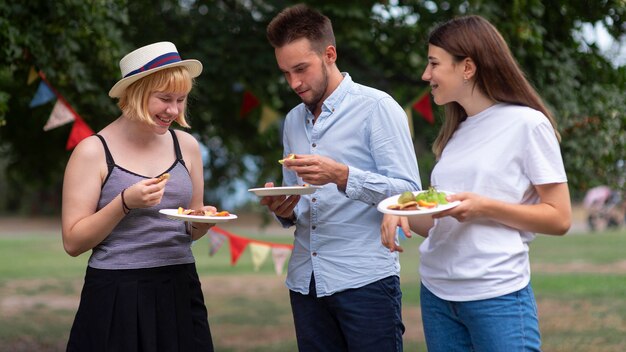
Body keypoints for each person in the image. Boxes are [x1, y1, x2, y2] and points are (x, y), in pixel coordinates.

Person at [381, 15, 572, 351]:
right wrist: (403, 211)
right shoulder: (456, 132)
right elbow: (443, 219)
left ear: (467, 67)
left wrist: (484, 207)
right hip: (438, 294)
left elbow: (560, 218)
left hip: (496, 294)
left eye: (434, 64)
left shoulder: (527, 124)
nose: (426, 75)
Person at [262, 4, 421, 351]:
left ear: (329, 54)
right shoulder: (291, 120)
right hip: (305, 282)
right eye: (286, 73)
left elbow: (409, 192)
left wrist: (342, 175)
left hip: (365, 282)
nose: (294, 83)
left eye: (301, 69)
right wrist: (283, 209)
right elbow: (302, 205)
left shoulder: (378, 108)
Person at [62, 41, 215, 351]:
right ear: (136, 94)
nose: (173, 110)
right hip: (117, 291)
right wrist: (124, 203)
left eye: (181, 100)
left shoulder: (187, 147)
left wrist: (202, 223)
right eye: (165, 99)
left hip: (180, 285)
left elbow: (190, 226)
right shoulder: (93, 151)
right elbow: (73, 242)